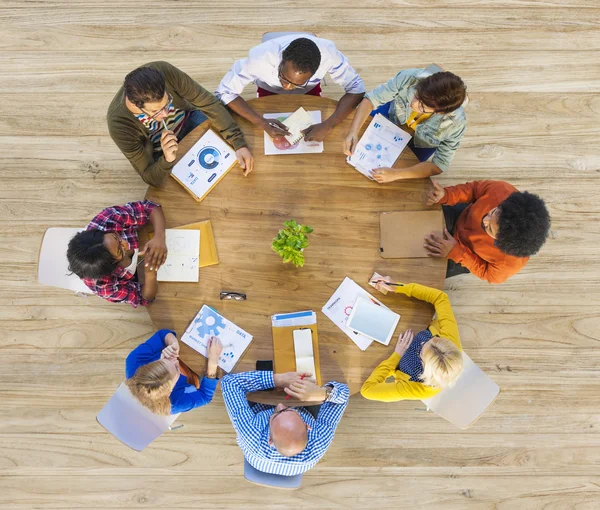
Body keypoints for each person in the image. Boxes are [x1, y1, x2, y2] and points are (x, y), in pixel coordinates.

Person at [107, 61, 254, 187]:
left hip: (190, 120)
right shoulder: (119, 124)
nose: (165, 114)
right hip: (161, 152)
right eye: (157, 112)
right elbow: (150, 177)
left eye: (167, 103)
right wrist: (167, 159)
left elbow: (208, 102)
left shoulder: (164, 71)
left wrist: (238, 143)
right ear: (135, 105)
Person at [215, 35, 365, 142]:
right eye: (284, 78)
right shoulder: (259, 59)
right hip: (268, 90)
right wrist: (261, 122)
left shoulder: (329, 56)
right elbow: (224, 92)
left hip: (308, 92)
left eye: (297, 83)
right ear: (281, 59)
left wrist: (329, 124)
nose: (287, 87)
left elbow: (357, 88)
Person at [343, 68, 467, 181]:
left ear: (440, 112)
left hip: (418, 143)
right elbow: (371, 99)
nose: (413, 103)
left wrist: (396, 174)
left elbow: (439, 165)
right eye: (416, 95)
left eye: (422, 106)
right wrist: (353, 132)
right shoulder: (410, 77)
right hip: (392, 116)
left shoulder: (456, 124)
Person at [221, 370, 349, 476]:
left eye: (277, 414)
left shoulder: (252, 433)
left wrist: (278, 379)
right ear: (307, 426)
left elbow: (230, 382)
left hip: (258, 448)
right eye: (286, 410)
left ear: (269, 439)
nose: (280, 404)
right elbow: (344, 396)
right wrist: (323, 393)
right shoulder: (319, 440)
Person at [424, 179, 551, 284]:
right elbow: (474, 189)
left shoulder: (510, 262)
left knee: (424, 273)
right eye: (494, 212)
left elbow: (487, 273)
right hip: (460, 215)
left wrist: (457, 253)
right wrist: (447, 195)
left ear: (501, 243)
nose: (485, 220)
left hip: (466, 256)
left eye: (489, 229)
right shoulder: (502, 191)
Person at [361, 280, 463, 401]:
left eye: (422, 349)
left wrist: (396, 355)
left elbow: (367, 391)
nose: (421, 342)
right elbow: (441, 297)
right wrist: (398, 287)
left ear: (424, 366)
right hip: (416, 324)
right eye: (432, 339)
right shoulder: (451, 342)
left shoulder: (419, 389)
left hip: (394, 356)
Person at [67, 200, 166, 307]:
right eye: (120, 251)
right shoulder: (105, 287)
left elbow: (149, 207)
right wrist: (150, 274)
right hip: (137, 276)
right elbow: (144, 298)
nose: (125, 244)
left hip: (144, 238)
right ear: (112, 266)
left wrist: (159, 237)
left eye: (116, 237)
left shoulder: (107, 220)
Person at [126, 329, 222, 415]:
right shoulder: (174, 404)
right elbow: (205, 396)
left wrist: (173, 344)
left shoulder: (134, 360)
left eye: (163, 360)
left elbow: (161, 334)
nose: (175, 360)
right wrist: (213, 362)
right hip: (194, 378)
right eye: (176, 368)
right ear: (170, 390)